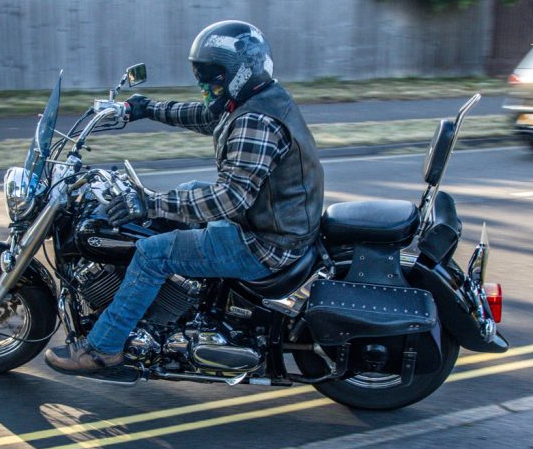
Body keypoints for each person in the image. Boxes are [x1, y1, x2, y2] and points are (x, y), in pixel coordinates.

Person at [44, 20, 324, 376]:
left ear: (239, 72)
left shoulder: (256, 120)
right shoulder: (255, 99)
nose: (206, 85)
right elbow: (203, 115)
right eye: (201, 75)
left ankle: (104, 349)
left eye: (213, 76)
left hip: (266, 243)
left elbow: (231, 198)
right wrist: (142, 109)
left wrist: (149, 202)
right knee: (187, 192)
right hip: (270, 221)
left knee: (151, 253)